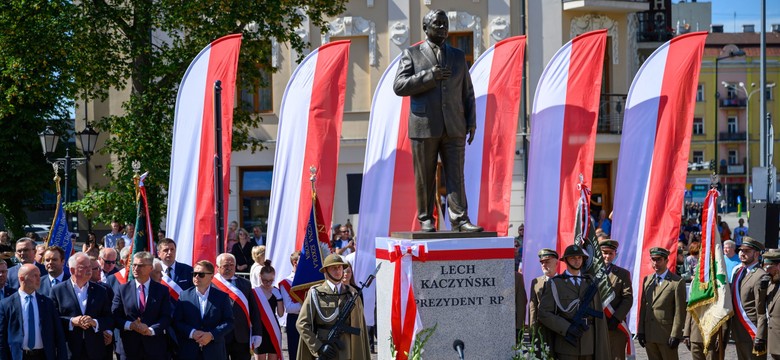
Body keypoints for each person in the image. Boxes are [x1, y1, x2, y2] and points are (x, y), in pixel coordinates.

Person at [392, 8, 482, 233]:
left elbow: (467, 92)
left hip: (454, 125)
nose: (443, 27)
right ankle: (426, 219)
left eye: (445, 23)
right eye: (437, 23)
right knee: (425, 176)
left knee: (456, 175)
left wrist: (471, 121)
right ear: (425, 28)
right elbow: (399, 86)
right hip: (424, 125)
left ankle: (460, 220)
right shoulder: (411, 54)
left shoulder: (458, 56)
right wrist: (429, 76)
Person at [538, 245, 609, 359]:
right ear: (565, 260)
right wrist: (566, 328)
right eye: (572, 258)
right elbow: (543, 313)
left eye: (579, 258)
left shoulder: (590, 282)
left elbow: (599, 316)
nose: (577, 261)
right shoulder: (555, 283)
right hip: (566, 345)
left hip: (588, 344)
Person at [296, 254, 370, 360]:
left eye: (340, 267)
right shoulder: (315, 293)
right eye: (333, 268)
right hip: (325, 348)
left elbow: (360, 325)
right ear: (326, 271)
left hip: (347, 351)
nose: (338, 271)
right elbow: (302, 324)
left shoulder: (352, 294)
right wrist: (319, 347)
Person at [50, 253, 113, 360]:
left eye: (89, 266)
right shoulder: (57, 291)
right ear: (72, 270)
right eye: (84, 267)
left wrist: (95, 322)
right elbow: (52, 319)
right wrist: (72, 321)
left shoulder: (100, 291)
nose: (89, 270)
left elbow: (109, 318)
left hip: (95, 351)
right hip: (69, 349)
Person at [0, 264, 68, 360]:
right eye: (34, 276)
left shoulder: (47, 302)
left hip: (43, 355)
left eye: (39, 275)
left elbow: (58, 333)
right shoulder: (6, 304)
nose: (38, 279)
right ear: (22, 279)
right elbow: (2, 337)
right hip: (19, 356)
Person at [112, 251, 171, 360]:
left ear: (150, 268)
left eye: (140, 265)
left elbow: (166, 316)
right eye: (134, 265)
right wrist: (130, 325)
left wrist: (151, 330)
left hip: (155, 348)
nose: (135, 268)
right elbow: (115, 315)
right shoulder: (123, 289)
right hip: (129, 349)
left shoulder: (162, 290)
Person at [174, 260, 234, 360]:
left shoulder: (222, 297)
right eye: (194, 274)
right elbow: (177, 321)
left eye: (201, 274)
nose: (196, 277)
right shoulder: (184, 296)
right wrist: (192, 332)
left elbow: (229, 321)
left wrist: (211, 335)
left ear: (211, 277)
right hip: (190, 351)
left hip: (214, 352)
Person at [637, 247, 686, 360]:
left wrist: (676, 334)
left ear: (666, 260)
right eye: (653, 259)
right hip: (650, 333)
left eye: (659, 259)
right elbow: (644, 307)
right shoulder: (647, 280)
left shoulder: (676, 282)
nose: (655, 263)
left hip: (666, 334)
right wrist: (641, 331)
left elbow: (680, 311)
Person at [213, 253, 263, 360]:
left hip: (242, 336)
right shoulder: (211, 284)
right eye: (226, 265)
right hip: (220, 336)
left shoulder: (245, 284)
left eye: (232, 265)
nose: (229, 268)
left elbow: (254, 310)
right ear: (217, 267)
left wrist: (257, 333)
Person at [730, 237, 768, 359]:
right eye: (741, 250)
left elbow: (762, 310)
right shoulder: (739, 272)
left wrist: (760, 336)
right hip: (738, 330)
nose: (742, 254)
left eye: (747, 251)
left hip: (752, 330)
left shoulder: (760, 275)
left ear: (756, 254)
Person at [599, 239, 633, 360]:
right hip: (596, 324)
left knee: (616, 356)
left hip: (615, 325)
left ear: (615, 254)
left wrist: (616, 318)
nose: (607, 256)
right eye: (604, 252)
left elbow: (628, 298)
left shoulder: (623, 274)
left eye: (610, 253)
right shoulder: (590, 273)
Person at [256, 260, 284, 360]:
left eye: (270, 280)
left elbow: (281, 314)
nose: (267, 283)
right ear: (260, 277)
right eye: (265, 280)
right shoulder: (255, 292)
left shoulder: (276, 291)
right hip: (259, 329)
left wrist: (279, 298)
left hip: (273, 327)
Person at [280, 251, 301, 360]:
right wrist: (306, 304)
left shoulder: (311, 280)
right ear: (295, 262)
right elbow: (289, 308)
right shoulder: (286, 282)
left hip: (310, 320)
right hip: (295, 320)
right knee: (294, 353)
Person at [763, 249, 780, 360]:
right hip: (774, 338)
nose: (767, 271)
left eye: (769, 267)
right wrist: (762, 289)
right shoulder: (772, 283)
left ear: (778, 266)